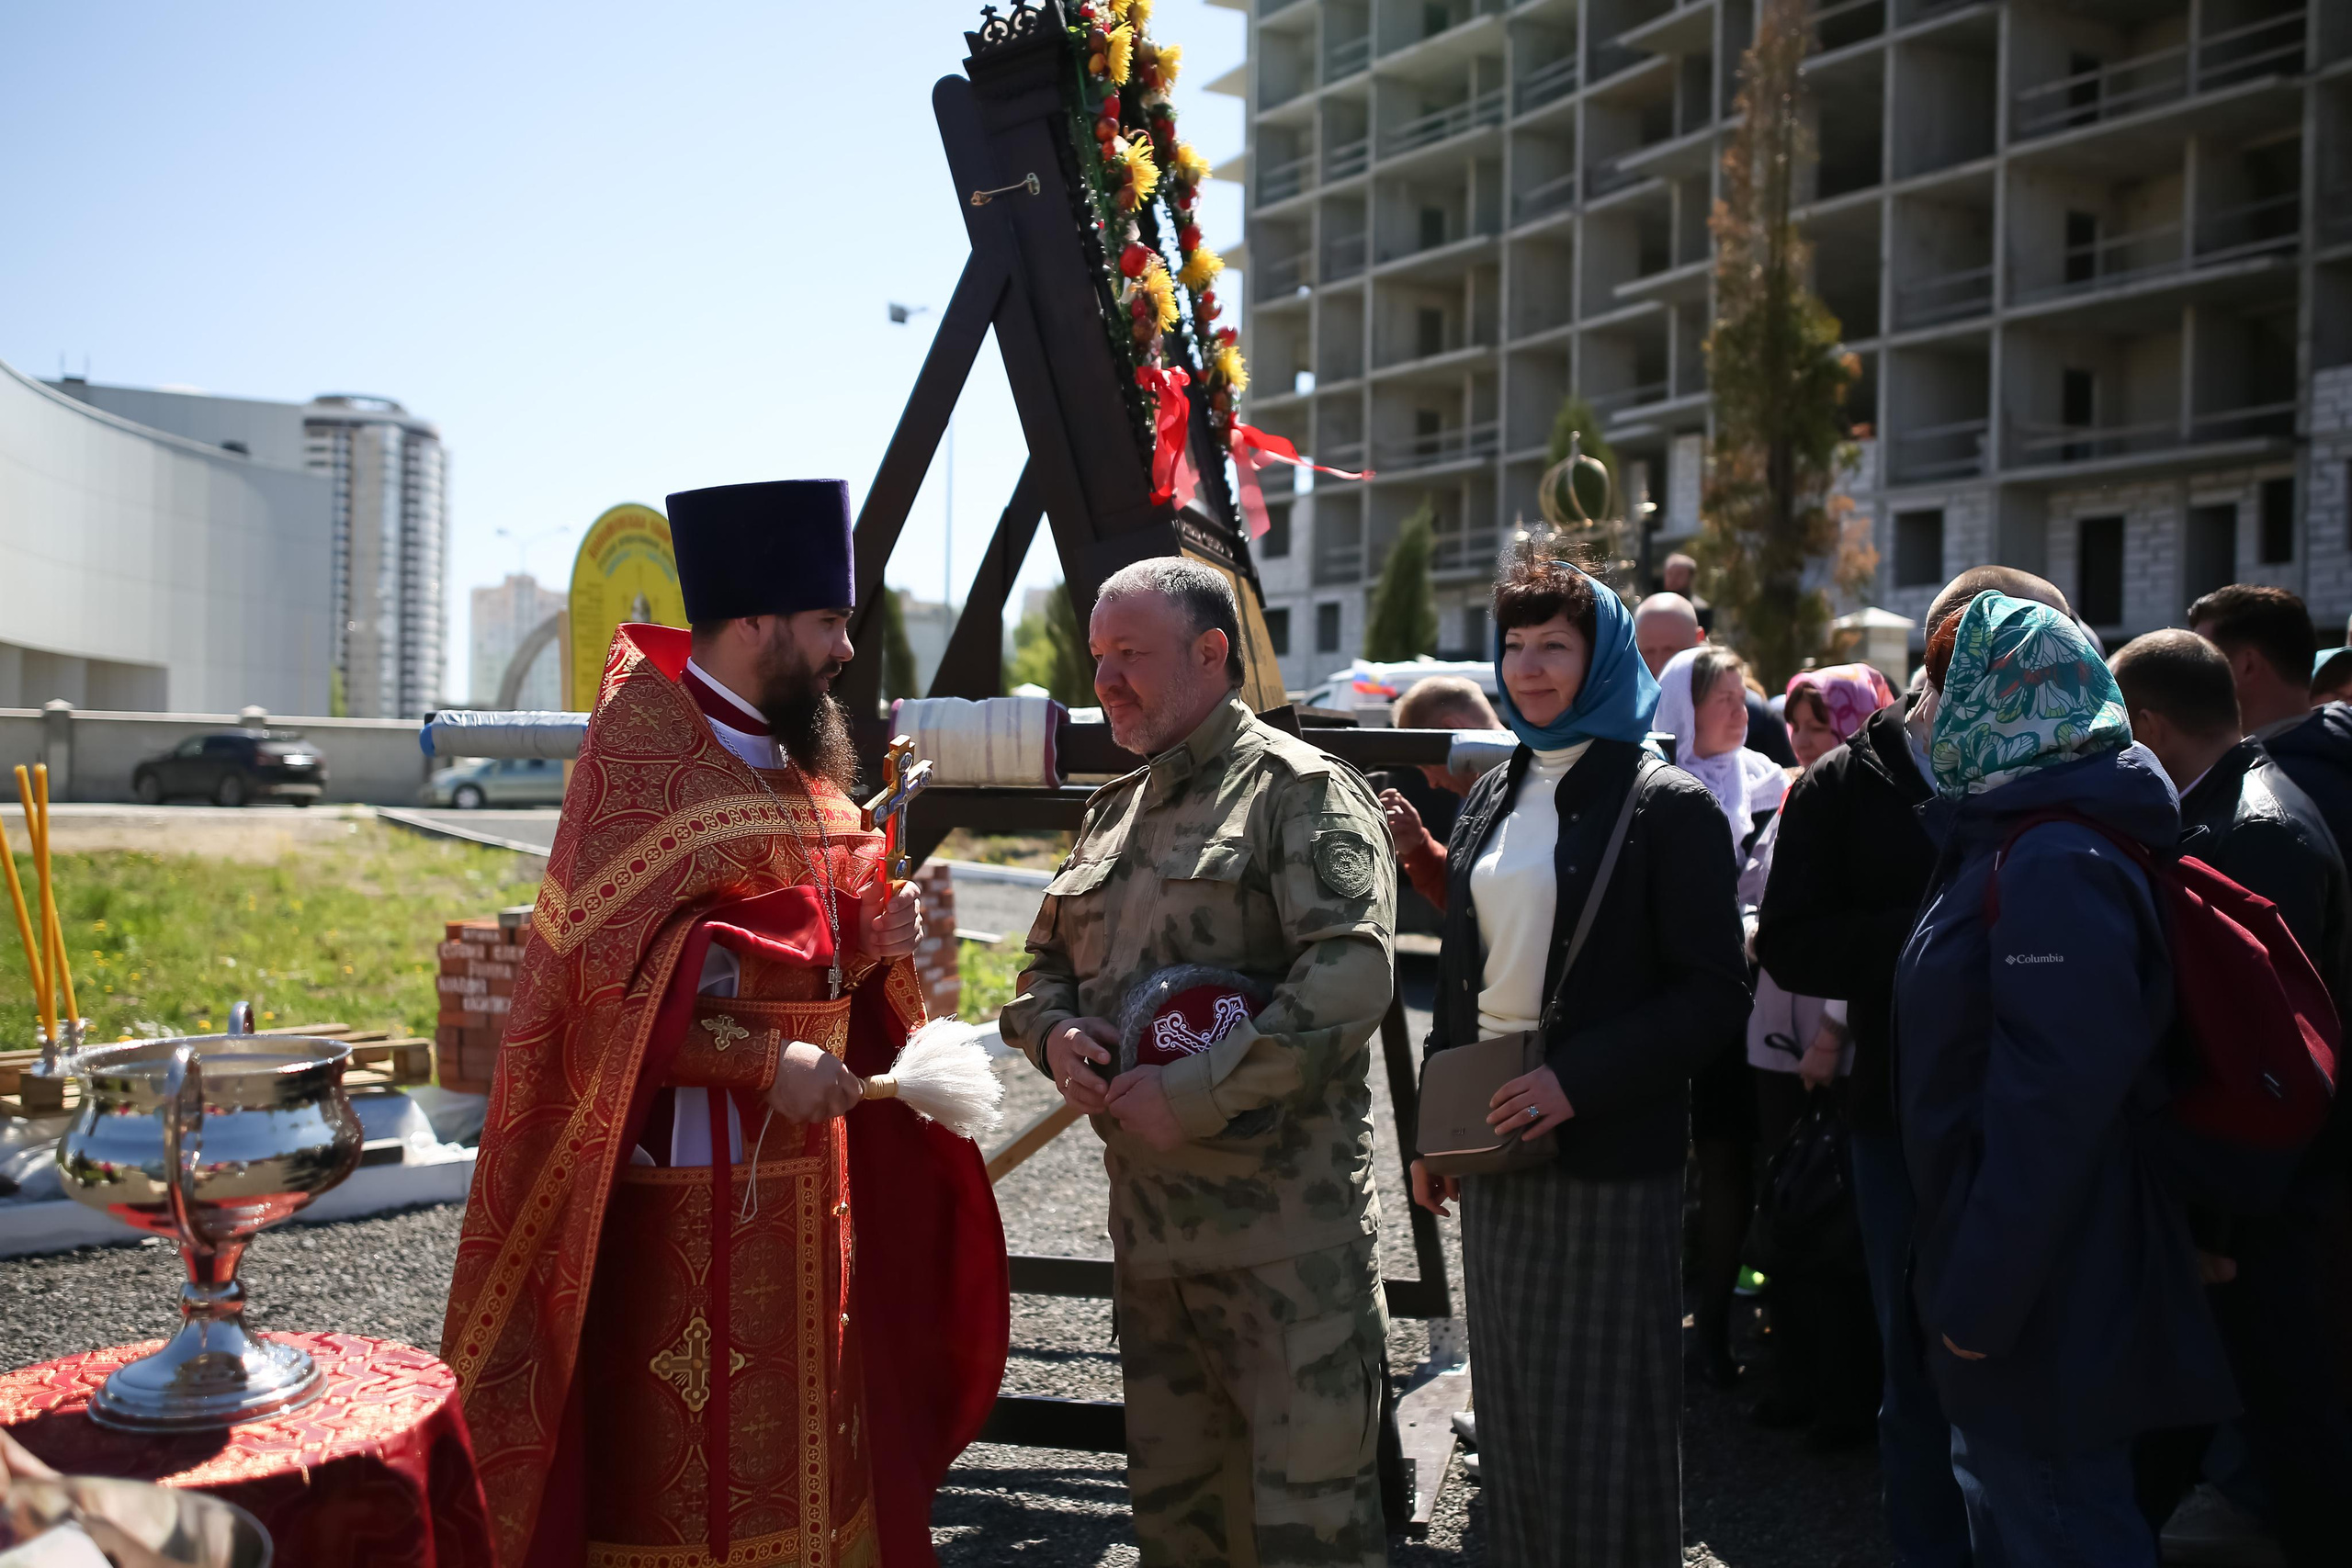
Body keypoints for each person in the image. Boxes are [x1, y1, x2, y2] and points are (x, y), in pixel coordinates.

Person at [443, 480, 1008, 1568]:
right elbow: (598, 1000)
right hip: (685, 1191)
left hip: (818, 1166)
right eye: (830, 623)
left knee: (823, 1445)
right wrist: (758, 1059)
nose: (845, 649)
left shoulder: (801, 763)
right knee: (701, 1485)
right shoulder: (642, 757)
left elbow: (792, 938)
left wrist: (866, 931)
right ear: (754, 622)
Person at [999, 557, 1397, 1564]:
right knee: (1182, 1535)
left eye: (1129, 654)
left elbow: (1348, 981)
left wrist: (1194, 1095)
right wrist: (1052, 1035)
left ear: (1210, 654)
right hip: (1155, 1254)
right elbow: (1038, 968)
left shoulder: (1298, 795)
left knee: (1312, 1537)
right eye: (1098, 657)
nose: (1105, 680)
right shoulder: (1111, 810)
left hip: (1284, 1258)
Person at [1410, 545, 1749, 1566]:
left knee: (1599, 1415)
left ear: (1600, 656)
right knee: (1514, 1409)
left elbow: (1712, 997)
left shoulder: (1667, 804)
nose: (1528, 668)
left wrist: (1575, 1081)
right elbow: (1461, 977)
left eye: (1554, 645)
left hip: (1604, 1148)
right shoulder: (1488, 791)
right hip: (1494, 1147)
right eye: (1513, 646)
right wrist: (1434, 1133)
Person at [1898, 591, 2235, 1566]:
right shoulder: (2028, 833)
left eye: (1942, 686)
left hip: (2043, 1295)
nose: (1921, 710)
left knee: (2054, 1520)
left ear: (2001, 700)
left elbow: (2051, 1110)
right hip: (2032, 1276)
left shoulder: (2051, 857)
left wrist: (1979, 1301)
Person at [1758, 564, 2077, 1568]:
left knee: (2048, 1357)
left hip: (2049, 1111)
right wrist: (1943, 938)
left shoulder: (2053, 758)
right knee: (1919, 1364)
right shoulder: (1845, 783)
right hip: (1896, 1116)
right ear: (1936, 668)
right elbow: (1792, 944)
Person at [2123, 629, 2352, 1563]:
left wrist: (2211, 1226)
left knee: (2298, 1439)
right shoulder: (2237, 810)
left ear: (2146, 726)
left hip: (2272, 1208)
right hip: (2266, 1197)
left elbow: (2256, 1055)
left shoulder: (2249, 834)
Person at [1740, 664, 1895, 1449]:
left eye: (1820, 722)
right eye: (1795, 723)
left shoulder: (1867, 795)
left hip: (1832, 1034)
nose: (1803, 737)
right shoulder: (1801, 794)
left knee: (1839, 1220)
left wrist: (1835, 1032)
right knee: (1790, 1208)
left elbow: (1860, 923)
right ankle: (1795, 1369)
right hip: (1775, 1020)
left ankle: (1843, 1391)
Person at [1649, 642, 1785, 1386]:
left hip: (1738, 1007)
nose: (1739, 712)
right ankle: (1651, 1318)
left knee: (1730, 1158)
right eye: (1722, 699)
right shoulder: (1655, 791)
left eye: (1742, 696)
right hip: (1668, 1005)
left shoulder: (1765, 785)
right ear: (1682, 711)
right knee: (1667, 1165)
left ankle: (1712, 1331)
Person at [1379, 675, 1506, 910]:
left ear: (1452, 730)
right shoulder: (1489, 794)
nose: (1432, 783)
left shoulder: (1527, 792)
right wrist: (1418, 846)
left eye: (1427, 766)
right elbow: (1466, 901)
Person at [1634, 592, 1798, 766]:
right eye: (1647, 652)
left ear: (1699, 639)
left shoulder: (1757, 719)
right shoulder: (1624, 714)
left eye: (1670, 650)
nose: (1659, 664)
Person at [1661, 550, 1714, 633]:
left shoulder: (1701, 610)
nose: (1673, 579)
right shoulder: (1654, 609)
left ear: (1690, 577)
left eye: (1679, 574)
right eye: (1670, 573)